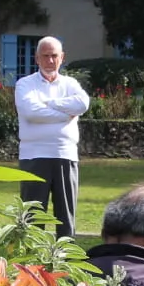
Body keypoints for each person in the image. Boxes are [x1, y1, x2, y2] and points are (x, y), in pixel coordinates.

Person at [14, 35, 89, 238]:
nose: (50, 61)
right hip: (34, 155)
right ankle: (30, 263)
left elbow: (83, 104)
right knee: (32, 218)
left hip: (65, 154)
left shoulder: (71, 84)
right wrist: (66, 112)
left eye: (54, 56)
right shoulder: (25, 84)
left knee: (65, 217)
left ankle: (64, 264)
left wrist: (48, 103)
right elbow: (31, 112)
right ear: (37, 58)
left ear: (62, 57)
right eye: (45, 56)